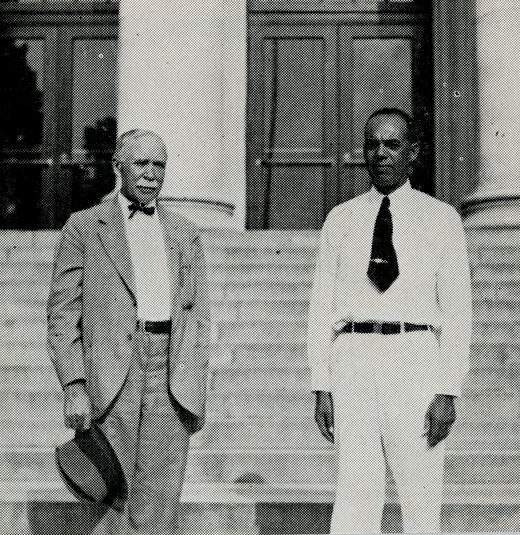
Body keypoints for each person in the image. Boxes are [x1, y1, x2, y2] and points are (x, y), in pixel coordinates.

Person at [307, 109, 472, 533]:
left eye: (392, 144)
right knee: (355, 496)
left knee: (420, 496)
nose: (380, 154)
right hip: (353, 357)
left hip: (414, 356)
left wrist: (447, 390)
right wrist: (321, 383)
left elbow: (458, 312)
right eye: (372, 145)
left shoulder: (441, 219)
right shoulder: (340, 220)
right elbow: (320, 306)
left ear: (413, 152)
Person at [47, 129, 210, 535]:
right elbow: (62, 314)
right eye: (142, 163)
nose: (151, 174)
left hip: (169, 367)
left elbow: (199, 316)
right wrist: (74, 384)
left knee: (160, 500)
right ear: (117, 164)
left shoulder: (185, 233)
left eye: (160, 165)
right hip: (112, 370)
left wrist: (194, 383)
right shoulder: (84, 227)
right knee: (110, 496)